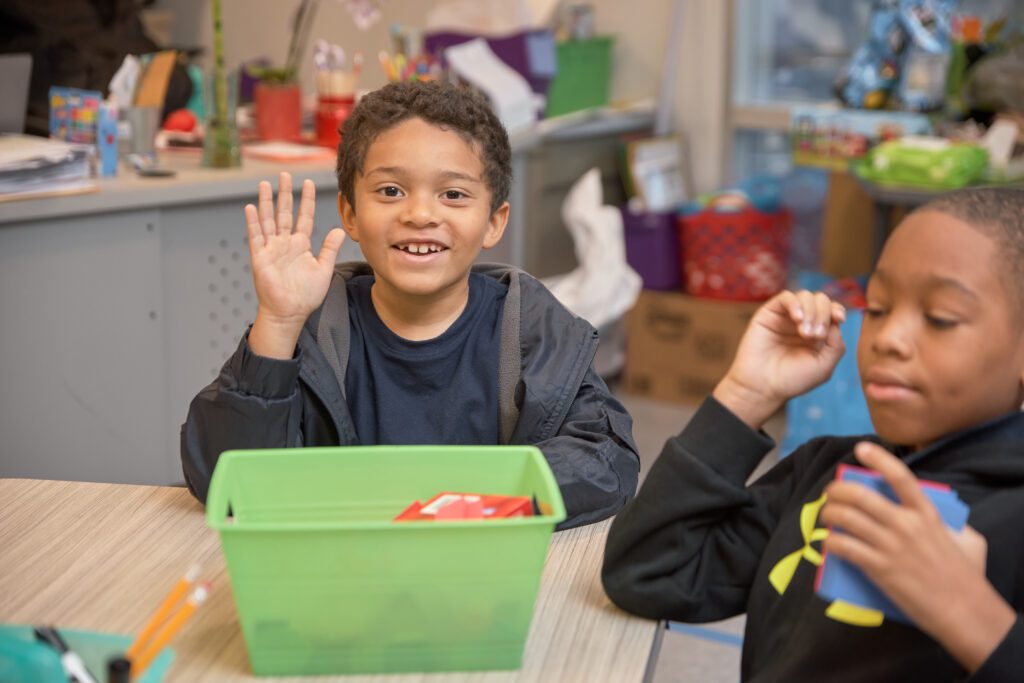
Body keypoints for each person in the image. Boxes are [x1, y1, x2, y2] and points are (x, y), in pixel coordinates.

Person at [602, 187, 1024, 680]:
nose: (887, 339)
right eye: (881, 307)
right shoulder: (829, 472)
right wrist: (746, 395)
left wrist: (978, 622)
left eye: (940, 318)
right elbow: (647, 574)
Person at [181, 81, 639, 529]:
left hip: (482, 570)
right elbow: (228, 479)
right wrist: (278, 322)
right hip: (341, 573)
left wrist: (466, 501)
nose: (420, 214)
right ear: (350, 214)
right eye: (391, 191)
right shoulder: (313, 328)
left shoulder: (531, 327)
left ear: (493, 222)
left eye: (453, 194)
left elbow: (607, 459)